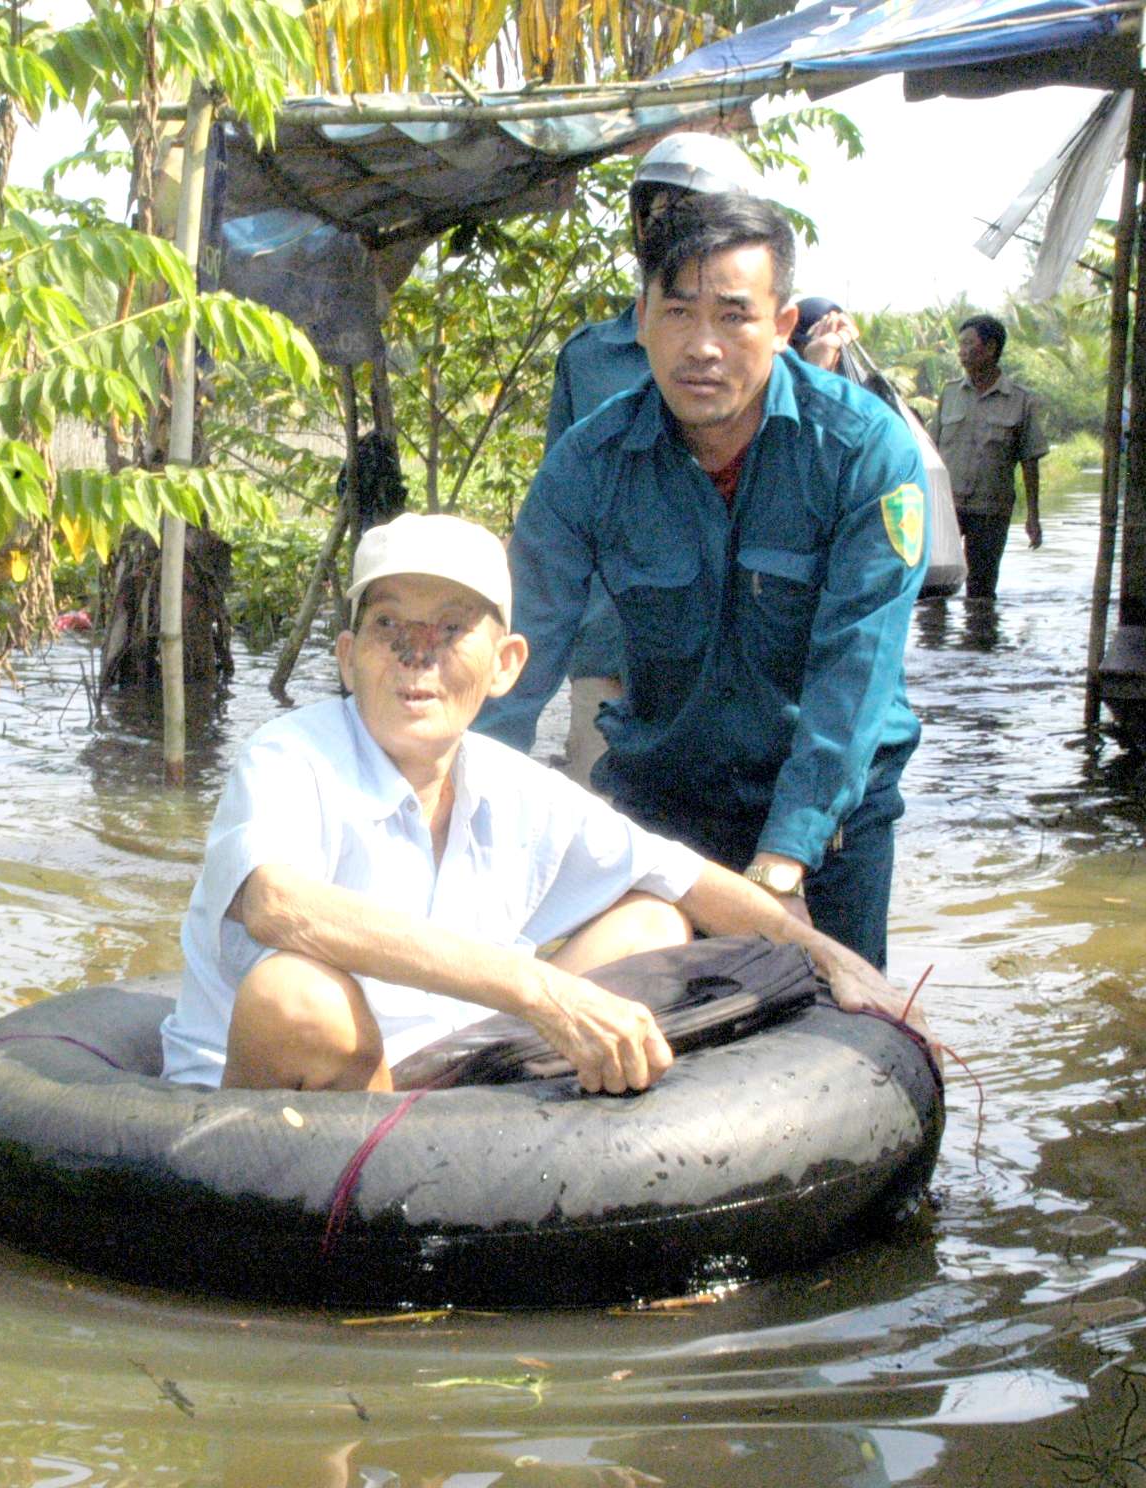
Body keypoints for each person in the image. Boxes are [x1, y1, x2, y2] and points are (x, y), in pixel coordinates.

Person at [158, 513, 917, 1095]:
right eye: (389, 626)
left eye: (451, 628)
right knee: (299, 995)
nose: (417, 656)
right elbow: (279, 907)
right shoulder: (291, 756)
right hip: (272, 1094)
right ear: (350, 656)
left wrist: (832, 959)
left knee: (653, 919)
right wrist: (538, 988)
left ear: (505, 665)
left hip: (439, 1069)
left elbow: (678, 874)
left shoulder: (507, 783)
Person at [479, 192, 930, 972]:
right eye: (679, 313)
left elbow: (854, 673)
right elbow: (514, 662)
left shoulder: (865, 454)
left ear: (783, 328)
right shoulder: (591, 464)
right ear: (643, 318)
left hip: (829, 824)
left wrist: (783, 860)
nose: (703, 347)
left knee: (843, 1027)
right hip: (665, 807)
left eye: (733, 316)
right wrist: (447, 812)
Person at [540, 131, 764, 788]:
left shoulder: (769, 360)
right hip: (611, 649)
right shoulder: (590, 358)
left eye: (686, 210)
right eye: (653, 210)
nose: (665, 226)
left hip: (737, 659)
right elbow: (561, 526)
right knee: (595, 829)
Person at [930, 313, 1049, 600]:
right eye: (961, 344)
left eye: (968, 344)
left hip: (991, 511)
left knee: (981, 591)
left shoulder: (1020, 400)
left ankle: (979, 641)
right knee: (933, 589)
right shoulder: (950, 394)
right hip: (947, 507)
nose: (961, 351)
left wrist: (1033, 516)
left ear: (991, 348)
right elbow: (931, 452)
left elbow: (1029, 462)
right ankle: (934, 645)